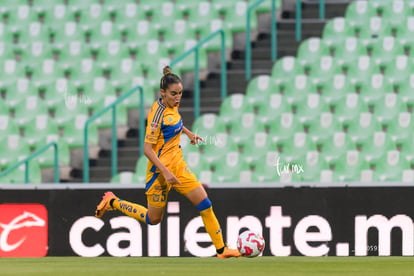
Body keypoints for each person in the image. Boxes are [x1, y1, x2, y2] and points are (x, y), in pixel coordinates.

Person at [95, 66, 240, 258]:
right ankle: (113, 201)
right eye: (174, 94)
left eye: (180, 93)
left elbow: (175, 123)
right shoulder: (157, 115)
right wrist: (165, 172)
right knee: (153, 219)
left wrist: (188, 133)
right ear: (163, 93)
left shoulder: (172, 105)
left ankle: (221, 250)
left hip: (178, 166)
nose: (178, 97)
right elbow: (147, 150)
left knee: (205, 204)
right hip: (159, 172)